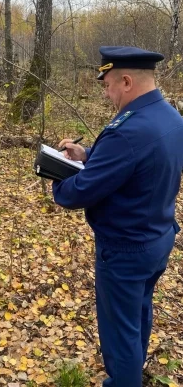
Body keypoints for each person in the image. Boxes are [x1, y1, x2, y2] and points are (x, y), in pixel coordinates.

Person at [52, 46, 183, 387]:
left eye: (108, 84)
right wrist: (88, 154)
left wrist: (56, 174)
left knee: (119, 333)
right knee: (137, 314)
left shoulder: (126, 130)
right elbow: (136, 161)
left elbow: (78, 193)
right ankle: (132, 373)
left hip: (125, 249)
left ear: (126, 81)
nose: (107, 93)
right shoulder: (170, 118)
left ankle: (124, 380)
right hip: (157, 238)